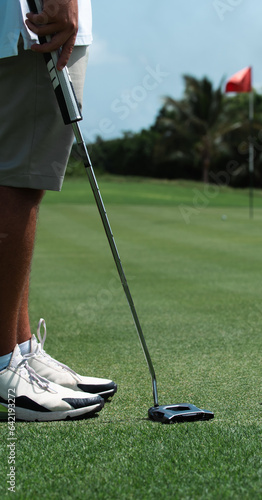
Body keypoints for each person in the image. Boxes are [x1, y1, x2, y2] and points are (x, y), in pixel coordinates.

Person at [0, 0, 117, 421]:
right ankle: (2, 369)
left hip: (22, 25)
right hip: (29, 24)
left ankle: (20, 352)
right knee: (18, 183)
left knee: (20, 182)